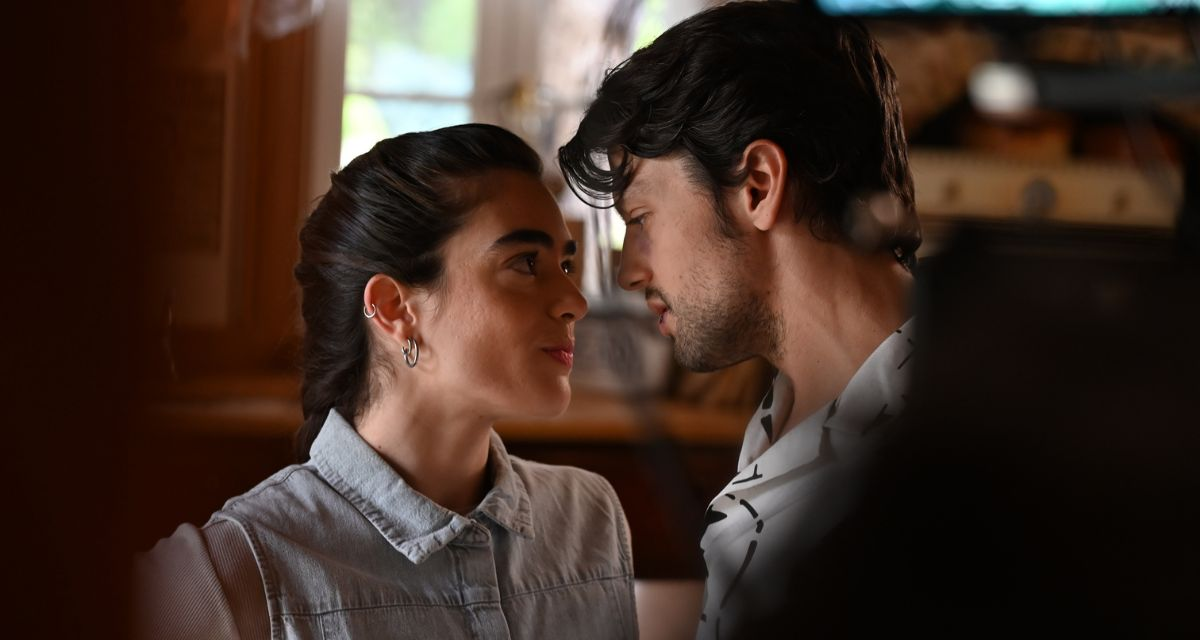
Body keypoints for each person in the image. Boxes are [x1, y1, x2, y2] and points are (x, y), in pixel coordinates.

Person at [135, 124, 637, 639]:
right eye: (526, 263)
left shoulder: (589, 521)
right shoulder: (233, 571)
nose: (575, 302)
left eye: (565, 264)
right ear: (395, 308)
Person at [558, 2, 920, 636]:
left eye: (640, 220)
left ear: (758, 184)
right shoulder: (792, 417)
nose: (629, 274)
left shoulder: (958, 453)